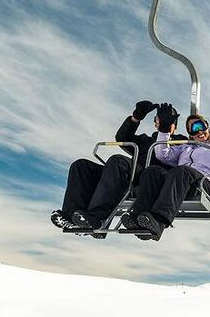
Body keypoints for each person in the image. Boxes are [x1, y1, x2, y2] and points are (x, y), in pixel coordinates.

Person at [51, 100, 187, 233]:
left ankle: (99, 217)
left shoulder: (181, 142)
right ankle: (71, 216)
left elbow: (181, 160)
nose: (162, 122)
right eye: (159, 119)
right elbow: (123, 137)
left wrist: (166, 132)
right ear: (156, 123)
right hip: (125, 173)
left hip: (151, 178)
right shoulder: (146, 140)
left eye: (167, 120)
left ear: (174, 124)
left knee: (118, 161)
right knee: (81, 166)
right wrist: (136, 117)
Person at [124, 100, 210, 240]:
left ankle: (159, 221)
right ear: (189, 133)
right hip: (183, 183)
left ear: (207, 125)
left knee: (182, 171)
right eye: (192, 129)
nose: (199, 132)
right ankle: (138, 219)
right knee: (153, 171)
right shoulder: (185, 147)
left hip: (206, 186)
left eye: (199, 125)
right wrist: (164, 130)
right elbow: (161, 154)